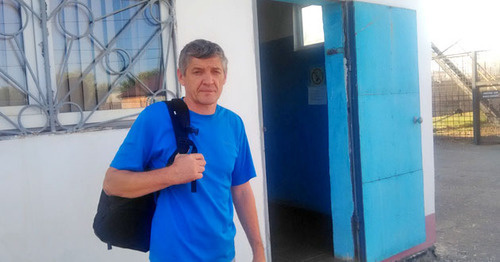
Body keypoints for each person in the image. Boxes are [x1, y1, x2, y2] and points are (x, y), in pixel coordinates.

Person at [102, 39, 265, 262]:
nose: (209, 80)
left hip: (224, 255)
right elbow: (113, 183)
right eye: (197, 71)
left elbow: (241, 190)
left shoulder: (233, 124)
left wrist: (258, 249)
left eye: (215, 71)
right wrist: (172, 175)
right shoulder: (156, 118)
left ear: (224, 77)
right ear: (181, 76)